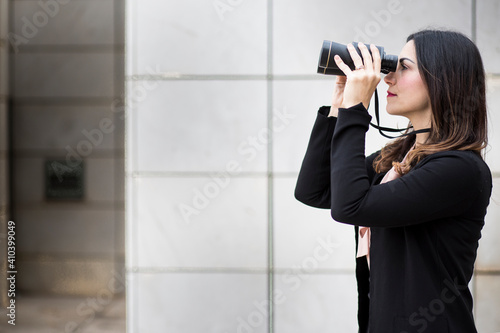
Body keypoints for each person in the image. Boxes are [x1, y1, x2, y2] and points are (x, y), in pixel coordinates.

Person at [294, 29, 492, 333]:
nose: (388, 78)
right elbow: (315, 190)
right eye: (391, 66)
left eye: (404, 67)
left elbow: (350, 207)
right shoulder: (399, 157)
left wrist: (356, 110)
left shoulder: (459, 169)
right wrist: (338, 108)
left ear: (443, 78)